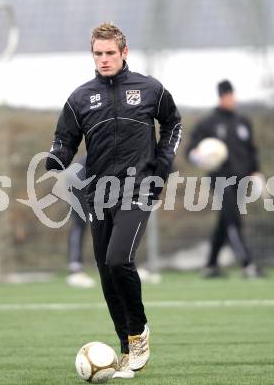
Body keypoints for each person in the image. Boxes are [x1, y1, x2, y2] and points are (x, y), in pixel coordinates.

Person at [46, 23, 182, 378]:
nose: (104, 59)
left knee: (120, 259)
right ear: (93, 55)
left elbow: (173, 124)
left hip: (138, 188)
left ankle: (139, 334)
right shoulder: (79, 98)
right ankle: (126, 350)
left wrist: (164, 162)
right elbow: (64, 139)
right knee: (107, 273)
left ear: (124, 53)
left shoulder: (151, 89)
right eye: (98, 54)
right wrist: (56, 158)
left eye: (110, 53)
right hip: (98, 194)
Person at [186, 80, 261, 278]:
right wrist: (198, 156)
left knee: (225, 220)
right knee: (234, 220)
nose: (231, 99)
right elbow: (191, 151)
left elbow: (251, 151)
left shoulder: (243, 122)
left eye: (232, 95)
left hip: (241, 181)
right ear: (221, 97)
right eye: (227, 96)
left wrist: (255, 173)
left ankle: (210, 266)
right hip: (220, 180)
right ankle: (248, 265)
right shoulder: (208, 123)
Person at [65, 154, 96, 288]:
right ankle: (75, 268)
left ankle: (75, 266)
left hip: (77, 177)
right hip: (79, 180)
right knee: (82, 222)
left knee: (82, 223)